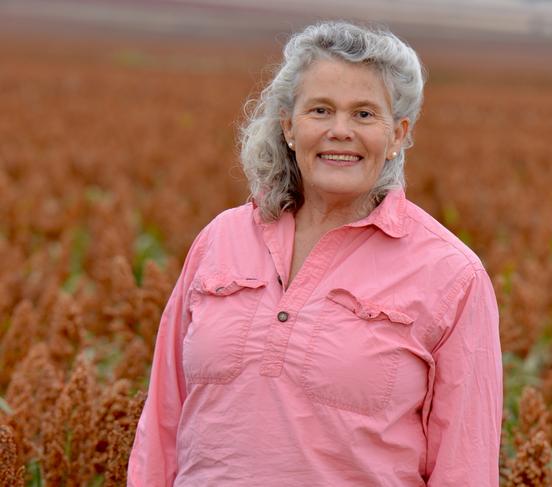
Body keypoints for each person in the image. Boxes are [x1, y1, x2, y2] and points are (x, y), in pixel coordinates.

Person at [128, 21, 502, 486]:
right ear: (288, 125)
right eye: (320, 110)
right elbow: (162, 420)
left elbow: (465, 465)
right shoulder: (220, 240)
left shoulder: (452, 275)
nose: (340, 131)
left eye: (365, 114)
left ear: (398, 135)